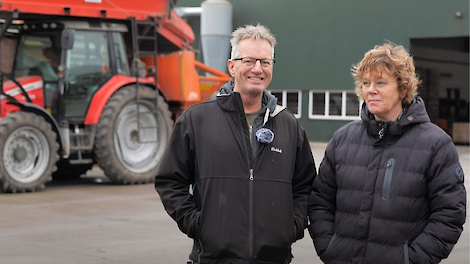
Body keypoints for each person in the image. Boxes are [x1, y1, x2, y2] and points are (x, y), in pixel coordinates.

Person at [155, 24, 316, 264]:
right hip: (213, 257)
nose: (257, 69)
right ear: (232, 66)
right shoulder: (197, 120)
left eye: (265, 62)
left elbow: (305, 187)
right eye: (248, 61)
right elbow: (170, 181)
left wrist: (290, 227)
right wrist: (199, 224)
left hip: (273, 258)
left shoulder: (289, 126)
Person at [308, 42, 466, 264]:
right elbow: (320, 202)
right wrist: (329, 249)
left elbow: (449, 215)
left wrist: (411, 260)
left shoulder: (436, 144)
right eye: (366, 83)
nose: (370, 89)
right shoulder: (342, 139)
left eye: (381, 82)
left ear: (403, 88)